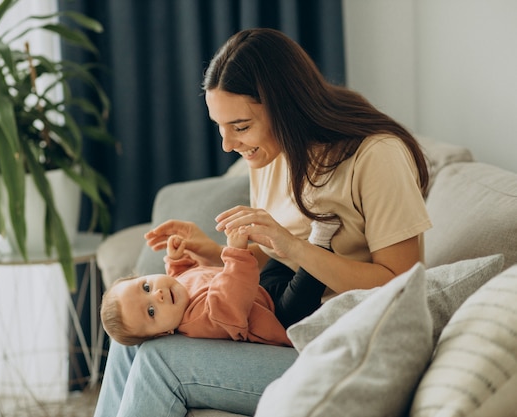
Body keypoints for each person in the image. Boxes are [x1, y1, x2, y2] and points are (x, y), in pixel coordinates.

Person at [93, 27, 431, 417]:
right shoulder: (270, 155)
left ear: (286, 107)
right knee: (127, 339)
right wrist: (217, 252)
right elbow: (277, 273)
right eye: (220, 128)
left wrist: (296, 247)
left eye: (240, 127)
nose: (228, 145)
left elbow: (403, 285)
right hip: (281, 332)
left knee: (159, 361)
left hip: (342, 347)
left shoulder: (376, 156)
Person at [100, 220, 340, 347]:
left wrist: (177, 260)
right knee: (302, 291)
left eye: (146, 287)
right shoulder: (200, 321)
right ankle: (319, 244)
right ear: (164, 333)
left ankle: (301, 242)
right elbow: (231, 296)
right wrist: (235, 251)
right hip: (279, 318)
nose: (158, 295)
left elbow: (186, 276)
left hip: (262, 292)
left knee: (276, 260)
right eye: (151, 311)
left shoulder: (176, 291)